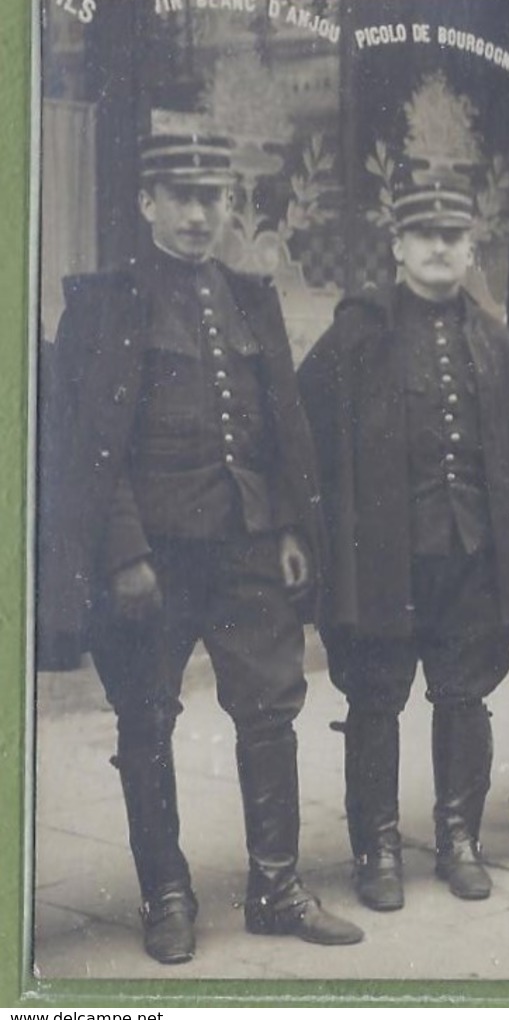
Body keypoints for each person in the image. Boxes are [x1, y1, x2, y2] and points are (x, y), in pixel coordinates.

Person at [37, 126, 363, 963]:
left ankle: (277, 886)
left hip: (248, 542)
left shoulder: (250, 297)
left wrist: (289, 526)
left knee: (271, 709)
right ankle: (166, 893)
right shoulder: (104, 303)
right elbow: (87, 444)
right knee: (145, 718)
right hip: (153, 557)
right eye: (180, 197)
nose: (196, 213)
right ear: (146, 203)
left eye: (211, 197)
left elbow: (280, 428)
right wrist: (123, 554)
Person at [298, 172, 509, 910]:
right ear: (396, 246)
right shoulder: (355, 335)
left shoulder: (494, 340)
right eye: (423, 236)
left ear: (470, 246)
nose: (438, 249)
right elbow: (304, 432)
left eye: (452, 237)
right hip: (383, 560)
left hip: (471, 556)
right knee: (376, 700)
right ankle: (379, 851)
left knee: (464, 697)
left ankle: (459, 839)